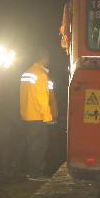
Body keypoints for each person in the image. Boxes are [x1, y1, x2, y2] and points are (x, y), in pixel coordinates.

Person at [20, 49, 58, 181]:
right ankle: (35, 173)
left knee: (32, 145)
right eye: (47, 58)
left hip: (28, 114)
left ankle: (30, 171)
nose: (49, 61)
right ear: (44, 58)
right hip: (38, 117)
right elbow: (42, 98)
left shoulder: (28, 72)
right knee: (39, 146)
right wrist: (48, 118)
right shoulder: (40, 74)